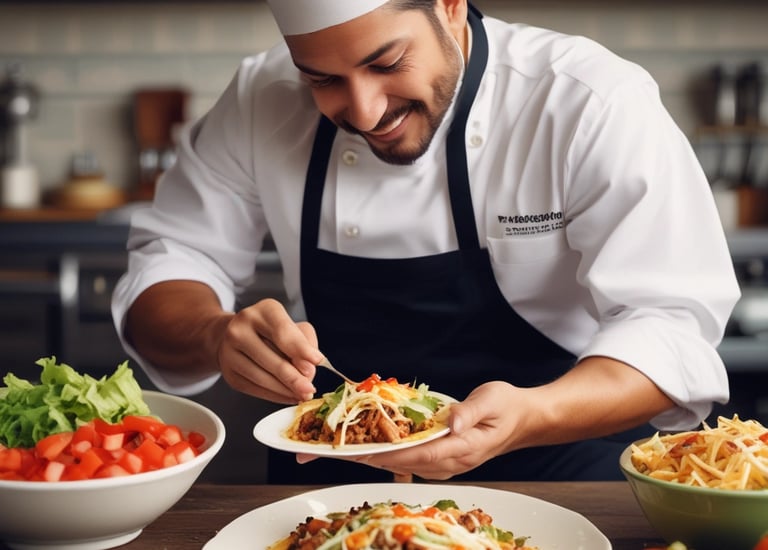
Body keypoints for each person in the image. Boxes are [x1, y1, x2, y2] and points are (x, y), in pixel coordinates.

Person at [111, 0, 740, 483]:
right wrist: (215, 335)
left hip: (560, 474)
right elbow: (171, 263)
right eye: (322, 80)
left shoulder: (586, 102)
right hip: (327, 490)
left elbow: (670, 328)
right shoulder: (259, 99)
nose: (362, 112)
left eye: (386, 64)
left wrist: (532, 416)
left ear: (449, 5)